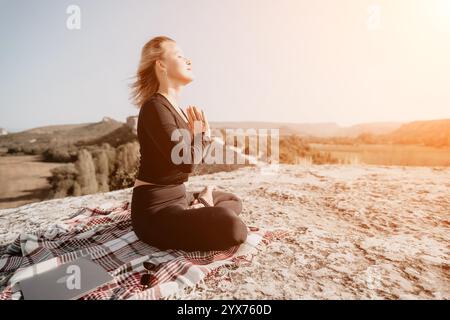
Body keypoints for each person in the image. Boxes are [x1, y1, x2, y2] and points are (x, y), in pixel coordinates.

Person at [129, 36, 248, 251]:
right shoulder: (154, 107)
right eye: (180, 56)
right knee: (232, 228)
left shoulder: (177, 110)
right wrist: (203, 136)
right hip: (155, 213)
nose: (189, 60)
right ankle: (204, 204)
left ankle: (202, 203)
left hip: (180, 197)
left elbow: (188, 157)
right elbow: (186, 162)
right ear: (161, 64)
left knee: (233, 200)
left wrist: (197, 135)